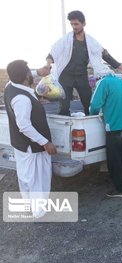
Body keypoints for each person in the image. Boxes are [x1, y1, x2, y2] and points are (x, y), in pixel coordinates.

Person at [45, 10, 122, 116]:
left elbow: (105, 55)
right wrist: (47, 65)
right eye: (72, 24)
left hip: (81, 76)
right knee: (64, 106)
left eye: (76, 24)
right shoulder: (65, 40)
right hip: (66, 76)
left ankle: (91, 126)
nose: (74, 27)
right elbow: (52, 54)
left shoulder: (91, 42)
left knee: (88, 103)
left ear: (83, 23)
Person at [4, 60, 57, 218]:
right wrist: (45, 143)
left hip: (21, 145)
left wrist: (39, 73)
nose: (31, 73)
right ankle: (39, 214)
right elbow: (24, 126)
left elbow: (20, 76)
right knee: (38, 180)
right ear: (26, 76)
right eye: (29, 71)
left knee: (26, 177)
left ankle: (29, 206)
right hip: (32, 147)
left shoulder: (10, 87)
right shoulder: (22, 99)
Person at [89, 68, 122, 197]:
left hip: (114, 127)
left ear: (99, 77)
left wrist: (91, 113)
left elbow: (95, 104)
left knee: (116, 160)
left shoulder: (104, 83)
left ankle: (121, 190)